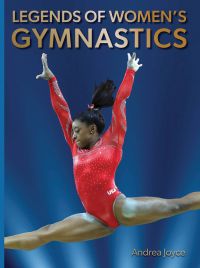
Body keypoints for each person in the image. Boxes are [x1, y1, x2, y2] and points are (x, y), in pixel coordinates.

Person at [4, 53, 200, 251]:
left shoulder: (112, 141)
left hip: (118, 208)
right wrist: (52, 81)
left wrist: (130, 71)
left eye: (77, 131)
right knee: (46, 232)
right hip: (94, 220)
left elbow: (120, 101)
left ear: (92, 130)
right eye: (72, 131)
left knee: (177, 205)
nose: (73, 135)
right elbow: (62, 111)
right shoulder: (75, 146)